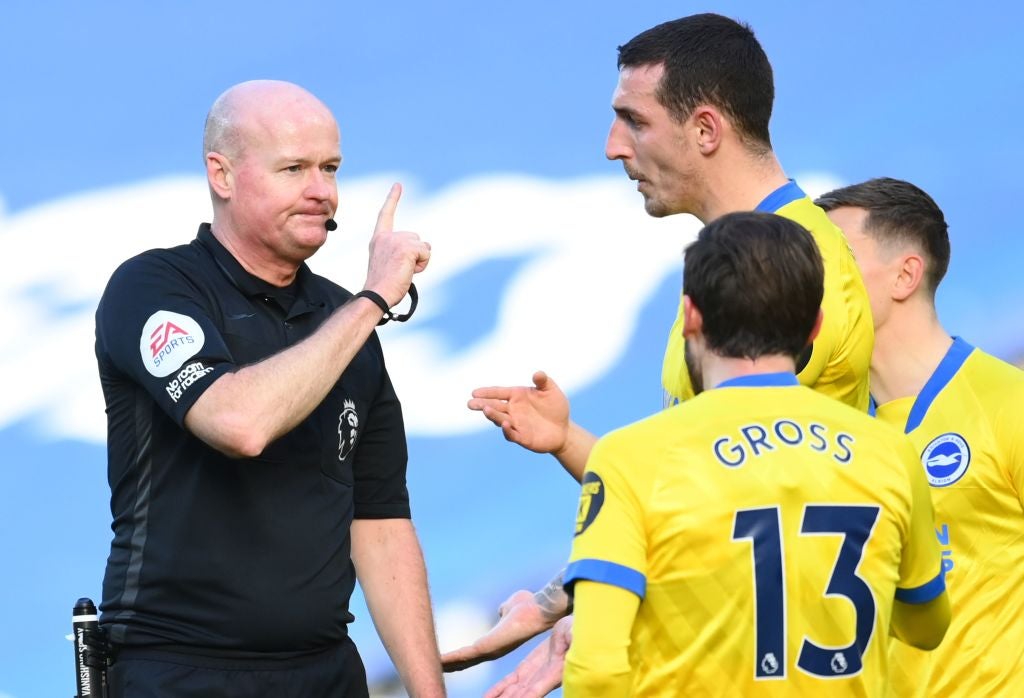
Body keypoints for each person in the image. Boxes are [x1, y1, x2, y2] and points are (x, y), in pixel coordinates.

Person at [442, 12, 874, 686]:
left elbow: (723, 498)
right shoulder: (734, 267)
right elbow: (695, 474)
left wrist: (577, 604)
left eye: (633, 121)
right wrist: (569, 446)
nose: (613, 147)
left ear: (705, 130)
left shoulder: (805, 270)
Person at [93, 80, 445, 697]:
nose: (321, 191)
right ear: (221, 175)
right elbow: (238, 425)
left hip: (325, 671)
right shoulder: (153, 286)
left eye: (330, 168)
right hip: (176, 671)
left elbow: (381, 525)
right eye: (294, 168)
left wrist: (429, 692)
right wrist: (373, 299)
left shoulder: (347, 321)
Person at [562, 211, 948, 696]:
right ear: (815, 326)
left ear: (691, 316)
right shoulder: (889, 451)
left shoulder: (627, 456)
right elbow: (927, 625)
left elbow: (596, 671)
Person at [817, 177, 1024, 696]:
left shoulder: (1007, 403)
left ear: (905, 275)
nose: (811, 278)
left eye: (835, 259)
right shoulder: (823, 432)